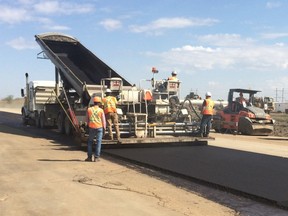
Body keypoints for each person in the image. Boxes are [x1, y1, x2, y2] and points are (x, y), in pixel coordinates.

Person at [85, 96, 106, 162]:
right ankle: (96, 158)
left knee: (90, 142)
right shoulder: (101, 110)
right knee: (98, 142)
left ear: (94, 102)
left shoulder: (89, 109)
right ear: (99, 103)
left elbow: (87, 119)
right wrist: (104, 128)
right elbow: (103, 120)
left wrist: (87, 126)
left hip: (91, 127)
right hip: (99, 127)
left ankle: (89, 157)